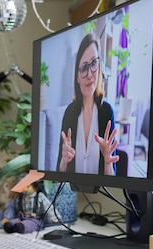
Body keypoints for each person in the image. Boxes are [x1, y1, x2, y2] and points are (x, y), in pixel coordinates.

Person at [57, 33, 119, 175]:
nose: (90, 74)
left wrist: (108, 161)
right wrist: (64, 161)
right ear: (77, 77)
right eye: (84, 67)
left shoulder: (106, 112)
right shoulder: (69, 113)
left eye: (93, 64)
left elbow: (111, 179)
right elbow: (59, 172)